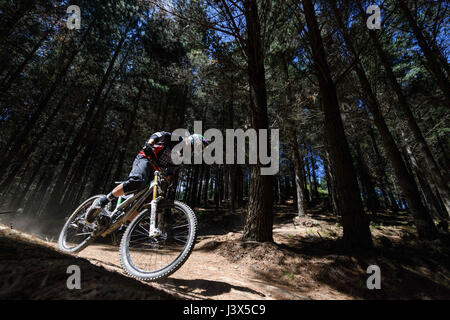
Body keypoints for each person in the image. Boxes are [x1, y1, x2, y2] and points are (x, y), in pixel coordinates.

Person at [85, 131, 209, 224]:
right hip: (146, 158)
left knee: (147, 204)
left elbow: (171, 172)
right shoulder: (175, 139)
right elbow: (158, 135)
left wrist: (168, 180)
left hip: (154, 172)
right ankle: (102, 202)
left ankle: (121, 225)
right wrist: (149, 144)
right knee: (137, 181)